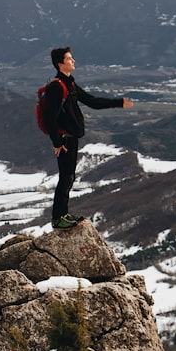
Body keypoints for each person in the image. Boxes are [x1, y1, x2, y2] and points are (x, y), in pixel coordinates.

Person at [44, 46, 133, 229]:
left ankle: (62, 214)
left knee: (69, 177)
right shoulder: (56, 87)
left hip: (71, 138)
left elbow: (92, 101)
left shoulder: (70, 84)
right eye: (69, 59)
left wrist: (118, 103)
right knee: (66, 177)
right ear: (60, 64)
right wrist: (57, 142)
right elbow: (49, 118)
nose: (73, 61)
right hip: (65, 140)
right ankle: (58, 218)